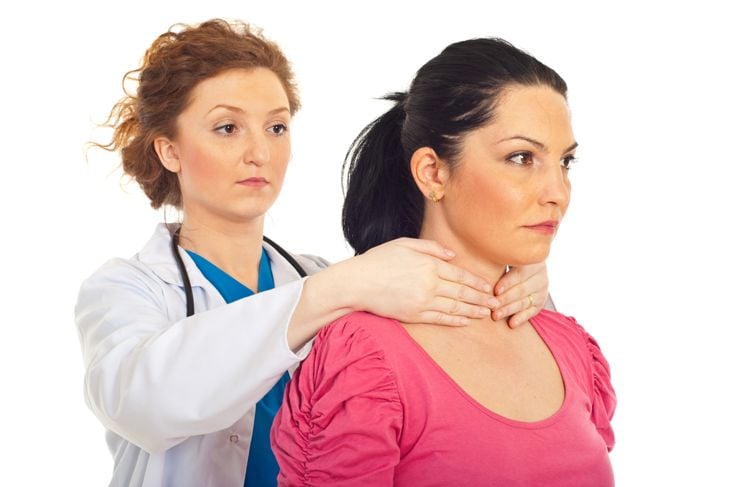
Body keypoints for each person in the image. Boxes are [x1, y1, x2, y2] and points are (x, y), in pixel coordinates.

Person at [75, 20, 551, 487]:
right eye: (227, 128)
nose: (260, 152)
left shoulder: (321, 279)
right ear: (169, 151)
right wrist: (334, 290)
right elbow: (144, 404)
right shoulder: (125, 289)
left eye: (276, 127)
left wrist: (519, 282)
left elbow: (460, 342)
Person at [271, 38, 617, 486]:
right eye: (521, 158)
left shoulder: (569, 345)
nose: (558, 192)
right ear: (433, 173)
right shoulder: (363, 357)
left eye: (565, 161)